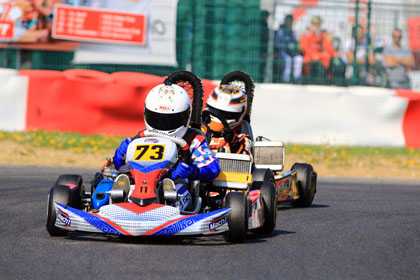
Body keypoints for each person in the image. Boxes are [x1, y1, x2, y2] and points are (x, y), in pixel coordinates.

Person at [103, 82, 220, 209]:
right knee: (110, 180)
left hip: (175, 183)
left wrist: (190, 170)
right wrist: (123, 150)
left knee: (176, 186)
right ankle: (117, 199)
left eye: (171, 120)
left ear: (185, 116)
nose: (163, 124)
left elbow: (212, 169)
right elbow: (120, 164)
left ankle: (168, 203)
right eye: (157, 119)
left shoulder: (193, 140)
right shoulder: (142, 137)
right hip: (138, 180)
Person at [202, 83, 252, 155]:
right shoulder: (198, 130)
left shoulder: (241, 139)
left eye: (225, 114)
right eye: (214, 111)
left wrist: (232, 141)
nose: (218, 117)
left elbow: (244, 160)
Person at [299, 15, 336, 84]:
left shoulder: (322, 35)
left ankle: (326, 81)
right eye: (314, 24)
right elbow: (304, 48)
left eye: (318, 24)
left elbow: (329, 49)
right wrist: (314, 55)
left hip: (320, 58)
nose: (316, 26)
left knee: (328, 58)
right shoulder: (306, 35)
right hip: (309, 57)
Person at [275, 14, 303, 83]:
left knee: (299, 58)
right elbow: (277, 44)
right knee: (288, 60)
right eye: (288, 21)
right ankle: (286, 80)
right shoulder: (280, 31)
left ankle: (297, 79)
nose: (289, 22)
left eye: (291, 21)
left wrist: (295, 47)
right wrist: (286, 46)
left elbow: (296, 43)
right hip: (282, 52)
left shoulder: (293, 32)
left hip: (292, 52)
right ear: (285, 21)